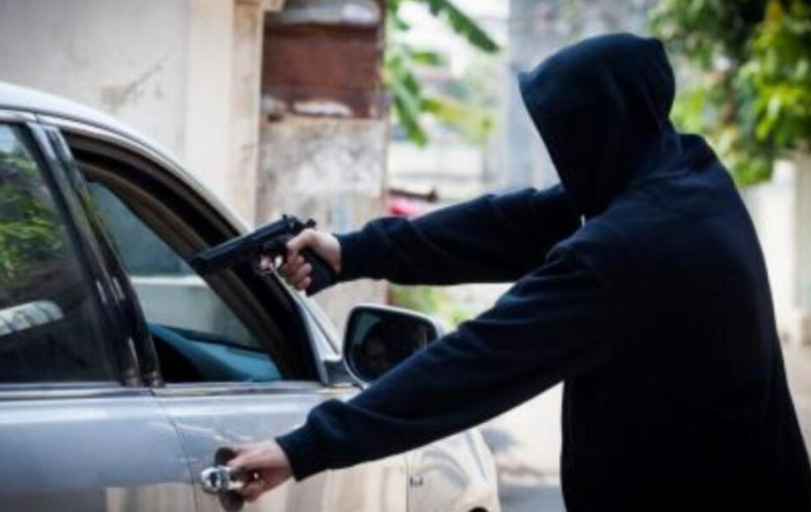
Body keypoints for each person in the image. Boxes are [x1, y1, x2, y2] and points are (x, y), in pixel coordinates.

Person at [231, 33, 811, 511]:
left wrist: (305, 448)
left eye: (568, 135)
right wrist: (351, 251)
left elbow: (477, 362)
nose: (561, 154)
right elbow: (514, 225)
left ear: (603, 129)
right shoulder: (688, 174)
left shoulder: (624, 253)